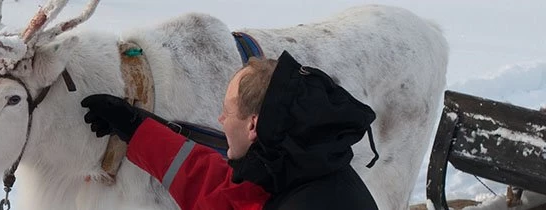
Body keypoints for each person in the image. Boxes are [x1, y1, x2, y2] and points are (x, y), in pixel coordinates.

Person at [80, 51, 379, 210]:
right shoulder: (300, 161)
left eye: (227, 111)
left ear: (253, 124)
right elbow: (223, 195)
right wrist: (137, 129)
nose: (220, 119)